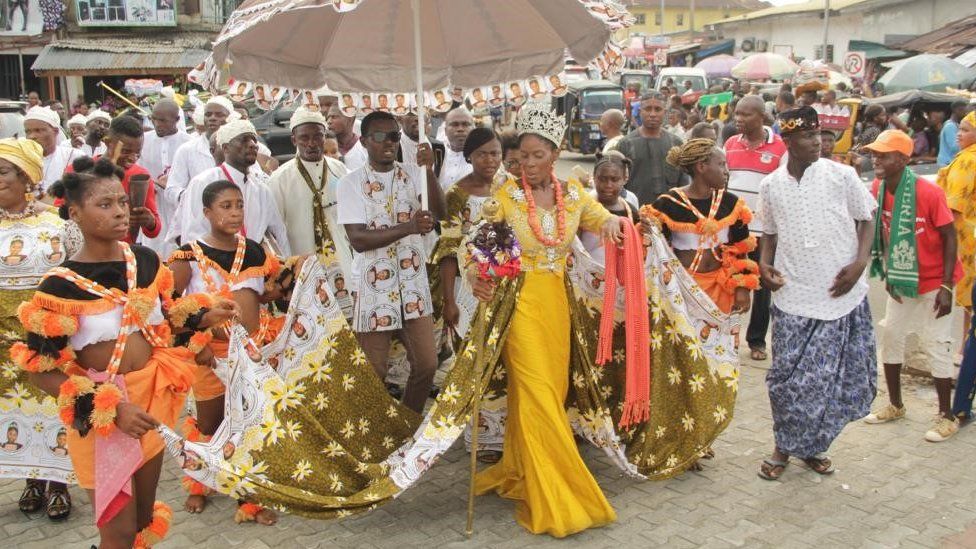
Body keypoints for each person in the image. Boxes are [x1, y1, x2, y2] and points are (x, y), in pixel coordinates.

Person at [14, 158, 237, 548]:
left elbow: (164, 319)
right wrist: (113, 409)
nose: (119, 210)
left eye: (120, 201)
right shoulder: (59, 287)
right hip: (103, 414)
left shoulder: (146, 262)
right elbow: (41, 371)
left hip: (151, 404)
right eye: (104, 204)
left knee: (141, 522)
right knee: (116, 534)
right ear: (75, 213)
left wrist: (202, 316)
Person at [468, 103, 627, 537]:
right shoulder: (505, 197)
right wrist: (476, 275)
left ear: (554, 155)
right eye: (521, 156)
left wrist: (615, 224)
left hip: (557, 306)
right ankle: (558, 489)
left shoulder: (574, 193)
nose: (528, 164)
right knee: (537, 391)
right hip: (519, 306)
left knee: (545, 395)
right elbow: (476, 247)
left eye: (537, 155)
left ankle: (521, 468)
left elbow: (601, 217)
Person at [756, 106, 877, 481]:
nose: (818, 142)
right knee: (787, 379)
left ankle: (813, 447)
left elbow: (867, 218)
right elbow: (769, 234)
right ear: (788, 141)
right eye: (808, 136)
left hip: (839, 295)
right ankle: (782, 446)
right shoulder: (771, 185)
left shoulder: (842, 175)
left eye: (819, 134)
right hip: (792, 296)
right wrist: (763, 265)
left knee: (825, 380)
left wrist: (860, 264)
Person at [168, 180, 281, 524]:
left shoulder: (256, 251)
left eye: (239, 205)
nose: (234, 213)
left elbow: (267, 293)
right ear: (207, 213)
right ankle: (200, 482)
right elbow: (169, 310)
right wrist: (195, 344)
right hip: (208, 355)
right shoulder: (186, 255)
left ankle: (249, 495)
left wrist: (282, 286)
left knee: (249, 422)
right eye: (225, 206)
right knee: (210, 422)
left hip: (251, 352)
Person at [337, 111, 445, 413]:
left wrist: (429, 172)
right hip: (374, 287)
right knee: (374, 371)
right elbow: (358, 239)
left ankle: (407, 422)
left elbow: (441, 212)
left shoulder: (414, 173)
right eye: (380, 136)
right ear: (365, 141)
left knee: (427, 363)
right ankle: (373, 430)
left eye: (394, 136)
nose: (389, 142)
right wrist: (408, 228)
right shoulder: (350, 183)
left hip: (412, 283)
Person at [860, 130, 963, 442]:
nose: (876, 160)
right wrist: (891, 272)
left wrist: (946, 287)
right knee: (891, 334)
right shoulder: (878, 188)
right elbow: (884, 235)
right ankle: (895, 404)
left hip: (934, 281)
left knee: (938, 343)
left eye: (884, 155)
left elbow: (949, 236)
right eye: (875, 154)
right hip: (901, 279)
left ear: (903, 160)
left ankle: (946, 416)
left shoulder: (928, 193)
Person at [0, 138, 80, 521]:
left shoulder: (58, 225)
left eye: (3, 172)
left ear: (26, 177)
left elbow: (78, 279)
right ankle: (30, 481)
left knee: (52, 408)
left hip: (47, 339)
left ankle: (59, 485)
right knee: (13, 412)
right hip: (2, 344)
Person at [646, 139, 756, 315]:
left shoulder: (731, 203)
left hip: (721, 287)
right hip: (682, 287)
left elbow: (741, 248)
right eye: (721, 164)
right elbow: (654, 249)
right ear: (701, 167)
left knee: (720, 341)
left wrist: (742, 288)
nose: (727, 171)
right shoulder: (669, 203)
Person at [724, 95, 787, 361]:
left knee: (761, 289)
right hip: (733, 229)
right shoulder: (729, 144)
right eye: (737, 114)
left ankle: (757, 341)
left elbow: (783, 190)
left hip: (764, 233)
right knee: (730, 283)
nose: (739, 119)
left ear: (762, 117)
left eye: (746, 115)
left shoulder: (780, 148)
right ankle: (726, 336)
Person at [169, 120, 290, 254]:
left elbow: (279, 232)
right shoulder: (203, 182)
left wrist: (288, 265)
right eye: (244, 140)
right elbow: (192, 233)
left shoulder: (261, 189)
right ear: (225, 148)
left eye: (254, 140)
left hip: (253, 267)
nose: (252, 145)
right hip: (214, 266)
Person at [434, 128, 500, 335]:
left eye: (495, 153)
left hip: (502, 284)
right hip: (466, 285)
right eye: (482, 154)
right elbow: (448, 251)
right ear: (469, 156)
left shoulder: (507, 188)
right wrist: (450, 301)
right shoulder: (456, 194)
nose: (489, 160)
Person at [268, 108, 350, 267]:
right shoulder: (280, 179)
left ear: (324, 137)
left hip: (343, 255)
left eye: (317, 137)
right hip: (302, 260)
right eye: (304, 138)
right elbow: (275, 229)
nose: (311, 143)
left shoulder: (339, 169)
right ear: (294, 140)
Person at [938, 111, 976, 371]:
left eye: (965, 129)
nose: (959, 134)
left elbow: (954, 207)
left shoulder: (967, 162)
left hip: (966, 236)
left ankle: (966, 351)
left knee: (969, 300)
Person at [140, 99, 193, 255]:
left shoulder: (189, 144)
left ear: (177, 120)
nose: (157, 123)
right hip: (153, 206)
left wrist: (172, 185)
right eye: (153, 119)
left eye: (162, 120)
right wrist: (150, 184)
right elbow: (136, 170)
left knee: (180, 252)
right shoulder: (143, 141)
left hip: (179, 208)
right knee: (153, 253)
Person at [616, 92, 684, 205]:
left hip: (670, 212)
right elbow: (618, 182)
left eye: (658, 109)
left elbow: (683, 180)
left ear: (665, 112)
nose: (652, 114)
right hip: (636, 211)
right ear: (640, 112)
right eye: (647, 109)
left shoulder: (676, 143)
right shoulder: (626, 144)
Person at [167, 96, 236, 205]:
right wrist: (195, 198)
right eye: (208, 114)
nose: (212, 118)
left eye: (219, 115)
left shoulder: (239, 148)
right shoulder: (187, 150)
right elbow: (172, 190)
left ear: (230, 119)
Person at [578, 152, 638, 264]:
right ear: (594, 177)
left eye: (614, 179)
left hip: (621, 275)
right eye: (602, 179)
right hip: (586, 274)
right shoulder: (583, 207)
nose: (608, 185)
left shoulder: (631, 210)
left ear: (625, 179)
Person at [24, 106, 80, 198]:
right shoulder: (21, 160)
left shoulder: (73, 156)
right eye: (28, 131)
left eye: (38, 130)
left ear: (55, 131)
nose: (31, 136)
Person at [396, 111, 445, 175]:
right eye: (412, 114)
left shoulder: (439, 148)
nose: (418, 118)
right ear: (399, 118)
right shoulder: (392, 146)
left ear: (428, 117)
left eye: (422, 111)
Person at [439, 107, 475, 191]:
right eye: (454, 124)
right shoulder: (437, 158)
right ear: (445, 131)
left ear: (474, 129)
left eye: (465, 124)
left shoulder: (485, 158)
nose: (460, 129)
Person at [327, 104, 368, 172]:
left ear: (350, 118)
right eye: (328, 118)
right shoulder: (323, 147)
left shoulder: (365, 149)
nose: (329, 121)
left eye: (333, 117)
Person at [938, 100, 968, 167]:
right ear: (956, 110)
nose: (965, 113)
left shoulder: (955, 124)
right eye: (962, 110)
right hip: (947, 163)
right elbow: (955, 147)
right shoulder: (950, 126)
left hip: (950, 162)